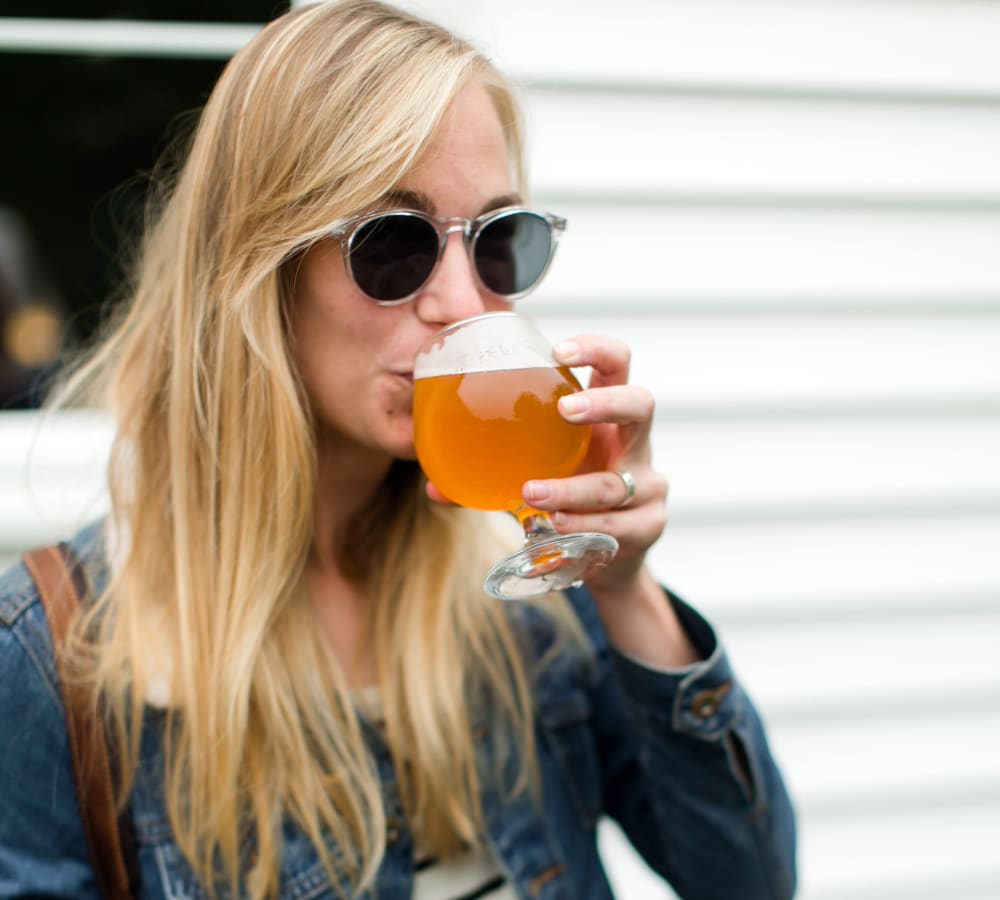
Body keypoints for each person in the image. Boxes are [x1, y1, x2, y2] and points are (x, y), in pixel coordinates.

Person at [0, 2, 797, 898]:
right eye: (393, 244)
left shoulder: (529, 611)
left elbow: (749, 880)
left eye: (500, 242)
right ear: (257, 269)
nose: (464, 301)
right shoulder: (53, 657)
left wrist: (626, 585)